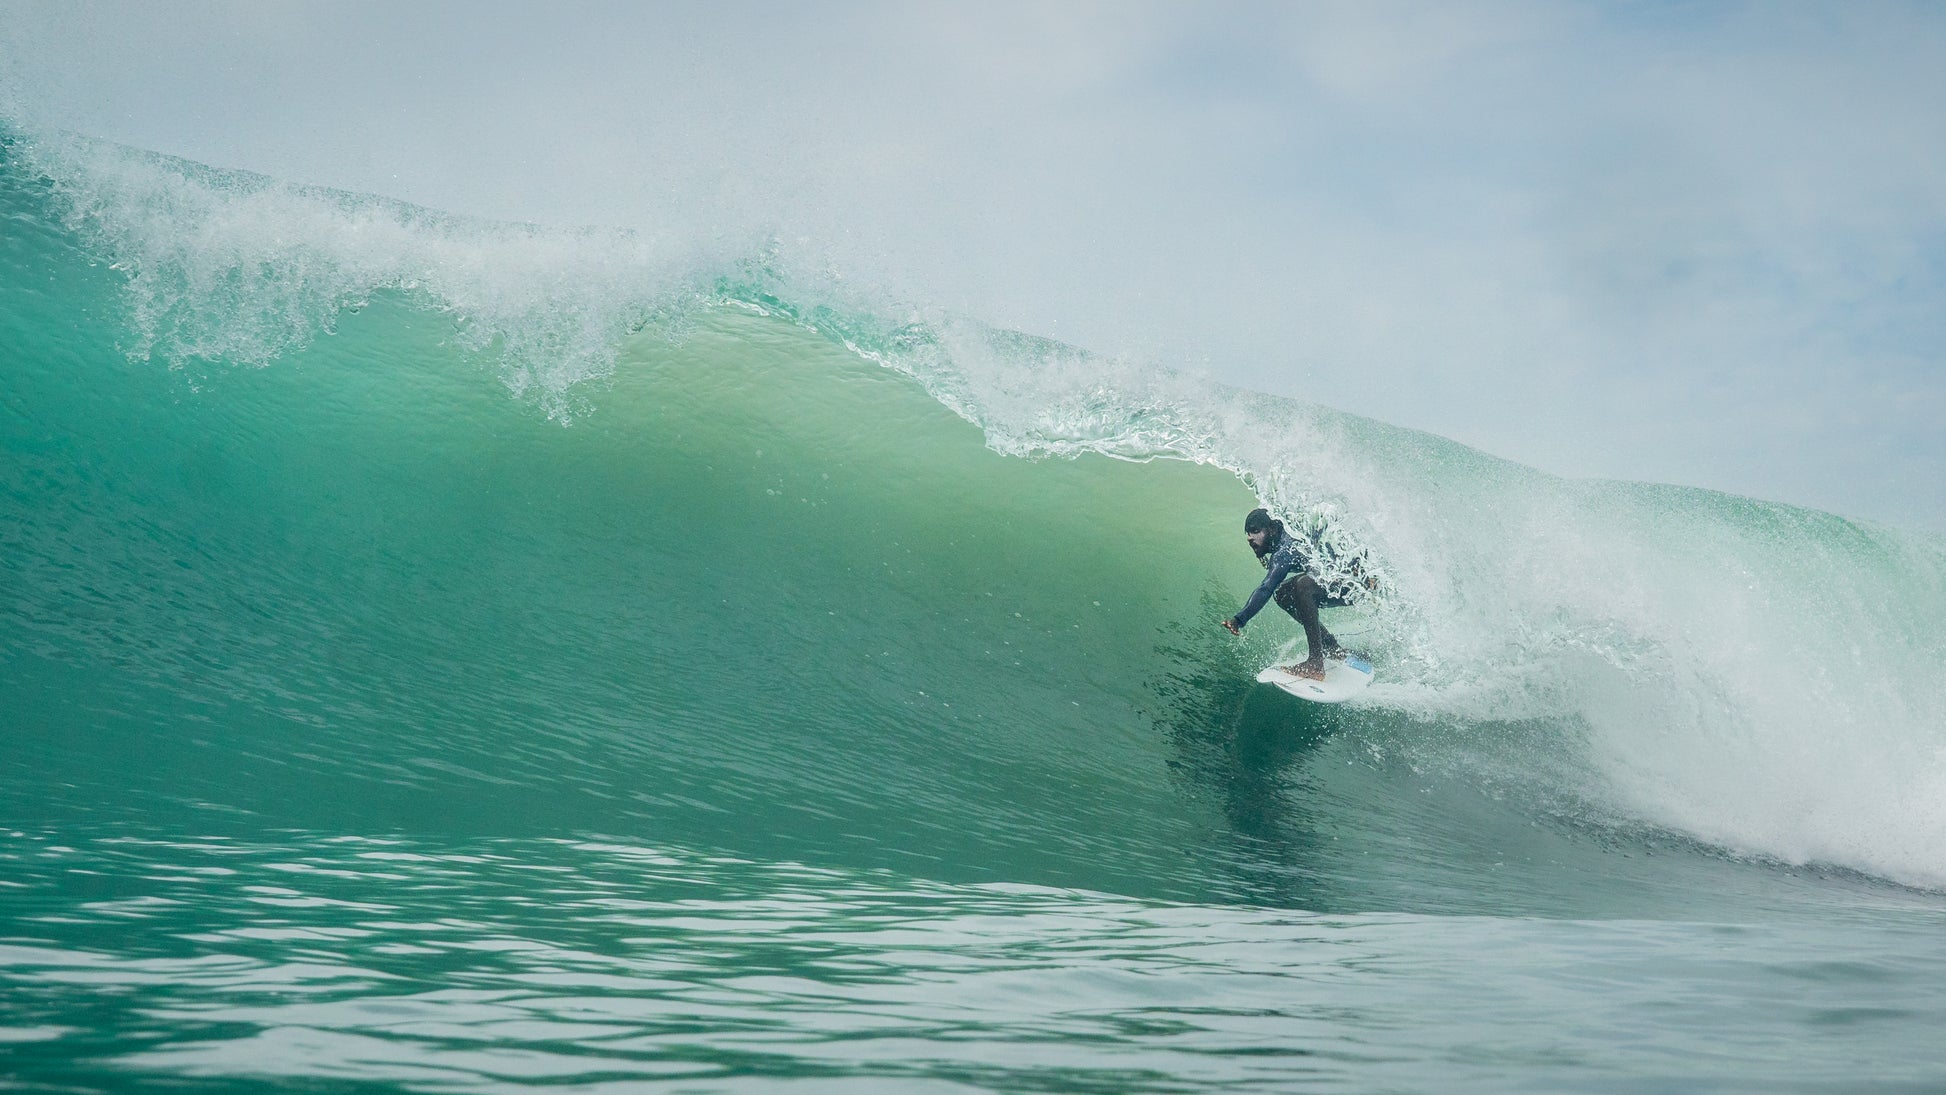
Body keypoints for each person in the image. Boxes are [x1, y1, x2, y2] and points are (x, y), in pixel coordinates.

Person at [1220, 507, 1348, 680]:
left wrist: (1239, 619)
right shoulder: (1288, 537)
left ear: (1272, 529)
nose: (1250, 538)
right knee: (1283, 593)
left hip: (1356, 583)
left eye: (1255, 531)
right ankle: (1332, 648)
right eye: (1248, 533)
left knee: (1304, 586)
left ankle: (1315, 663)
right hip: (1341, 580)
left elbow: (1266, 588)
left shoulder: (1284, 552)